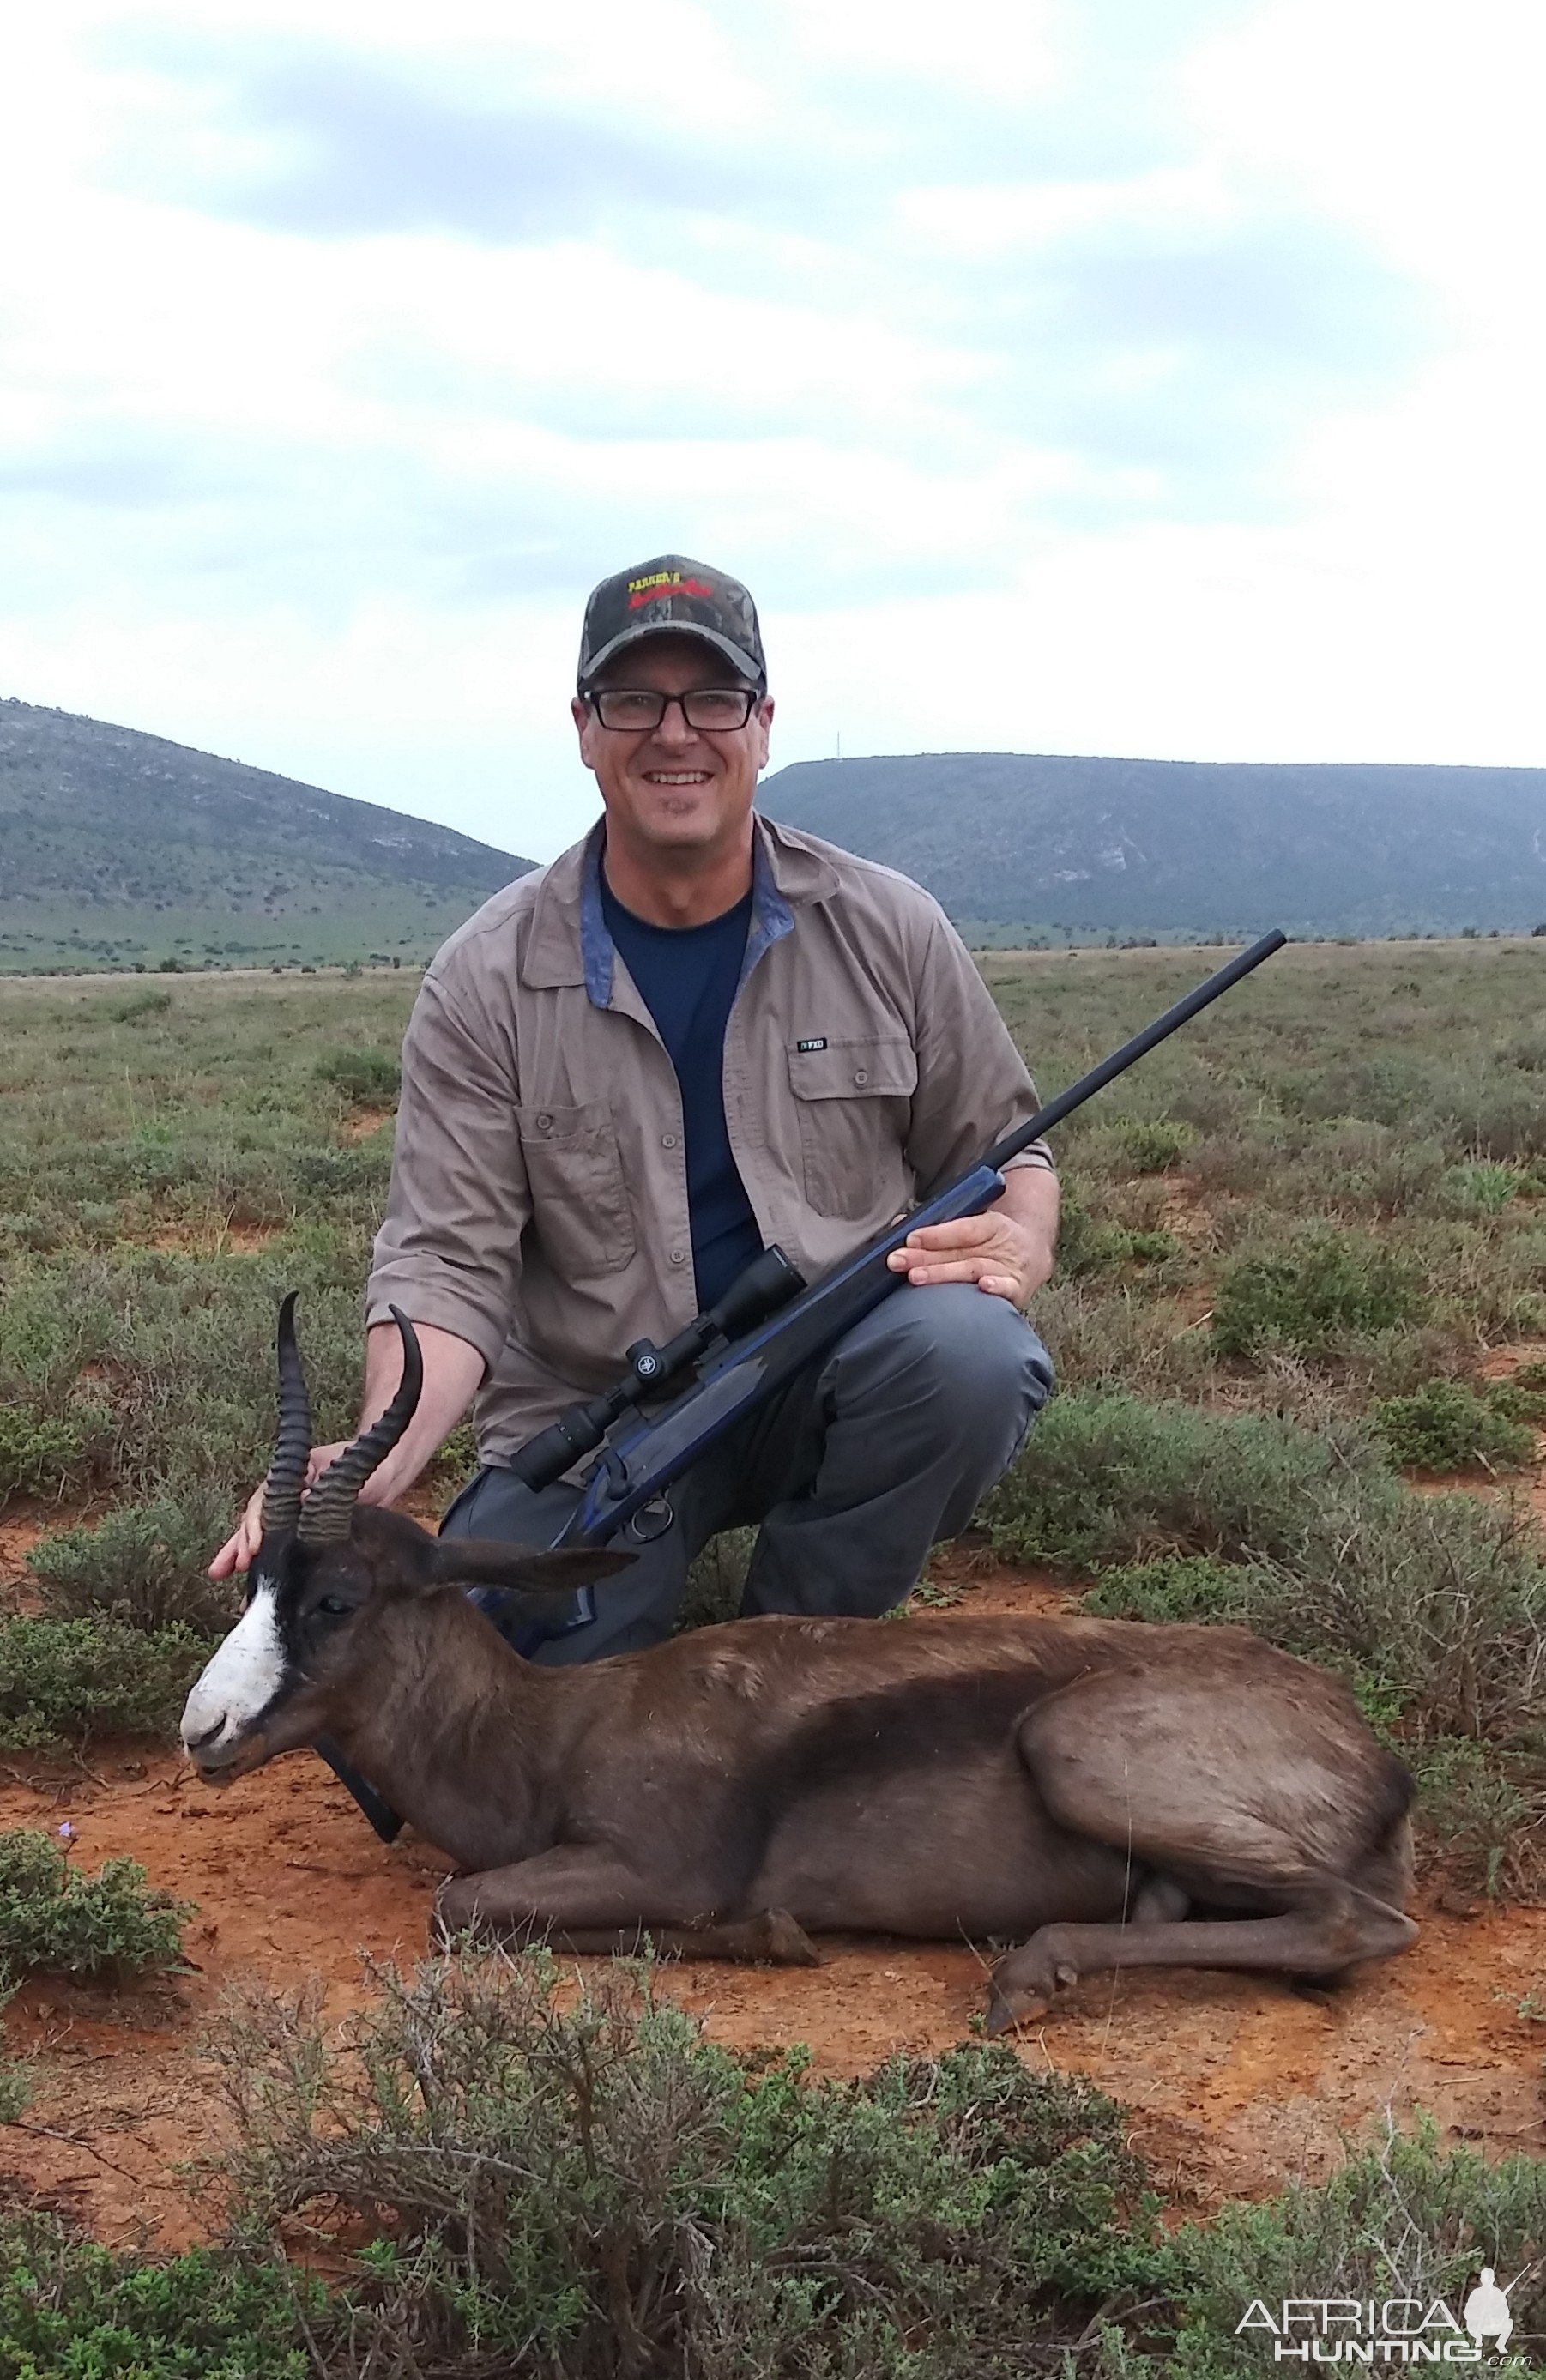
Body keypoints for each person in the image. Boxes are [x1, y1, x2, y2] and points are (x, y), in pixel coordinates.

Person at [212, 554, 1060, 1657]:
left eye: (711, 698)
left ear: (761, 723)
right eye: (632, 701)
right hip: (601, 1417)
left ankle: (794, 1656)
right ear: (582, 724)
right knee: (501, 1691)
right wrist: (380, 1451)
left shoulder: (889, 927)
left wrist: (1022, 1236)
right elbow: (446, 1262)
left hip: (830, 1375)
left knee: (967, 1355)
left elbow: (1005, 1153)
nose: (674, 733)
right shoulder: (483, 979)